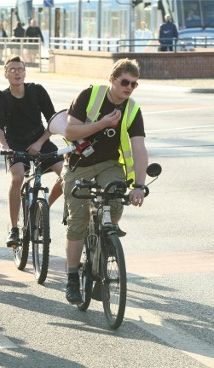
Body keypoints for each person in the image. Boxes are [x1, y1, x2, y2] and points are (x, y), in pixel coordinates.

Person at [62, 58, 148, 305]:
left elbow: (139, 148)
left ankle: (104, 241)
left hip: (108, 165)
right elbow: (70, 132)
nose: (129, 88)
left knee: (116, 196)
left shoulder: (132, 109)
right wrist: (103, 123)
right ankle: (71, 279)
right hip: (79, 164)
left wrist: (139, 186)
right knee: (78, 221)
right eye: (124, 82)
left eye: (134, 84)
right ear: (112, 79)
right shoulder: (89, 95)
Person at [0, 55, 64, 247]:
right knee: (17, 178)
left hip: (39, 138)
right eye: (12, 69)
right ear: (6, 74)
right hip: (14, 142)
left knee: (66, 175)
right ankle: (14, 228)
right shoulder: (2, 97)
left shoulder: (37, 91)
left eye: (20, 69)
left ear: (25, 72)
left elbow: (53, 121)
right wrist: (4, 146)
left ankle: (45, 206)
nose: (17, 72)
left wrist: (40, 143)